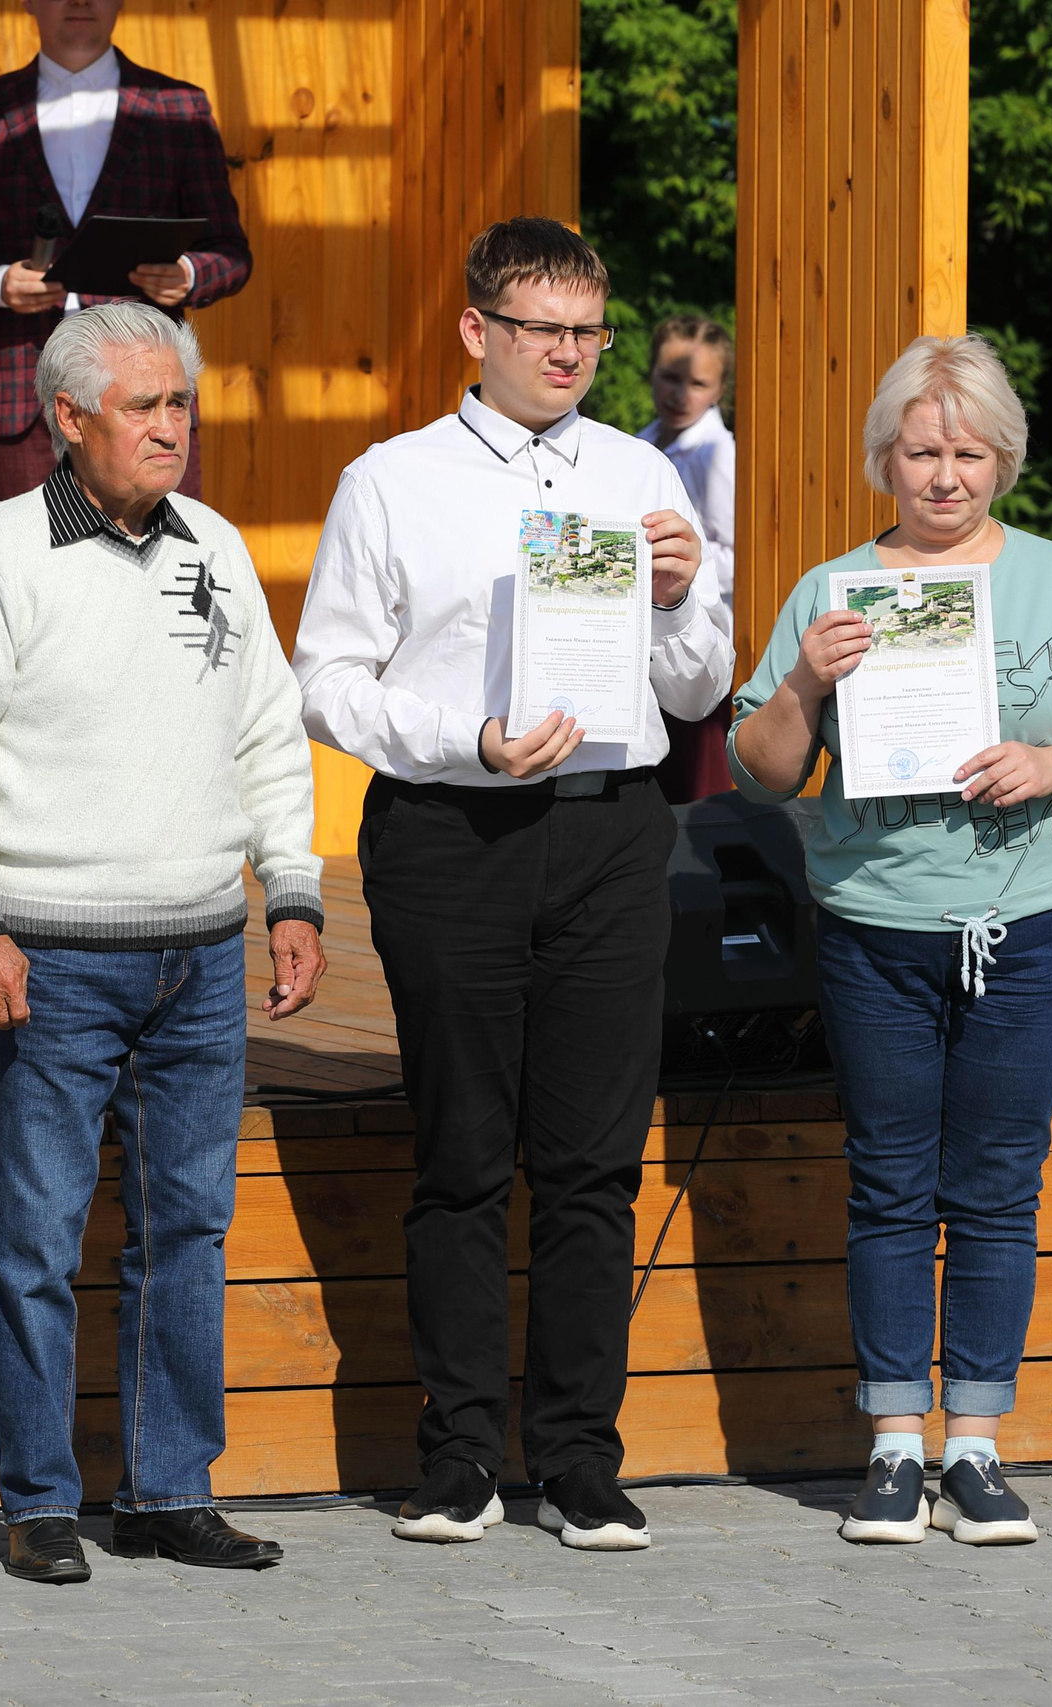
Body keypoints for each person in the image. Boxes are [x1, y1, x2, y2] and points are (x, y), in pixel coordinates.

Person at [291, 219, 731, 1553]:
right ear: (477, 331)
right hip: (452, 834)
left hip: (611, 833)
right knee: (466, 1154)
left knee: (598, 1162)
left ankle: (582, 1457)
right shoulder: (392, 480)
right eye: (544, 330)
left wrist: (677, 596)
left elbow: (701, 685)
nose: (571, 356)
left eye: (589, 332)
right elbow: (326, 677)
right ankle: (460, 1452)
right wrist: (458, 741)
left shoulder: (641, 468)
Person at [0, 302, 324, 1586]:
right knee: (36, 1236)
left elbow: (267, 732)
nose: (169, 429)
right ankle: (36, 1500)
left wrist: (292, 891)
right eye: (143, 407)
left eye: (180, 404)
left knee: (187, 1229)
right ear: (68, 418)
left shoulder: (220, 549)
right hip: (51, 954)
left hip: (200, 954)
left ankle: (166, 1492)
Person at [725, 334, 1052, 1547]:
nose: (945, 475)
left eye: (969, 452)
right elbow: (758, 776)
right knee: (889, 1182)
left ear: (1002, 461)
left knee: (997, 1188)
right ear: (885, 460)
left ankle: (974, 1442)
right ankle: (891, 1446)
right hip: (875, 929)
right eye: (922, 451)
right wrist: (803, 686)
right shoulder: (829, 589)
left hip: (1029, 927)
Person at [0, 0, 251, 506]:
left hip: (148, 391)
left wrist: (188, 274)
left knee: (159, 570)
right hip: (16, 392)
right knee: (31, 573)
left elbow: (230, 251)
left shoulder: (178, 107)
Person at [638, 315, 737, 802]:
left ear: (719, 389)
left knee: (695, 784)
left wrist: (683, 559)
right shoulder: (640, 442)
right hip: (645, 636)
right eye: (670, 377)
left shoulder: (720, 455)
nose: (680, 394)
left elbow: (738, 553)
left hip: (697, 632)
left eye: (697, 383)